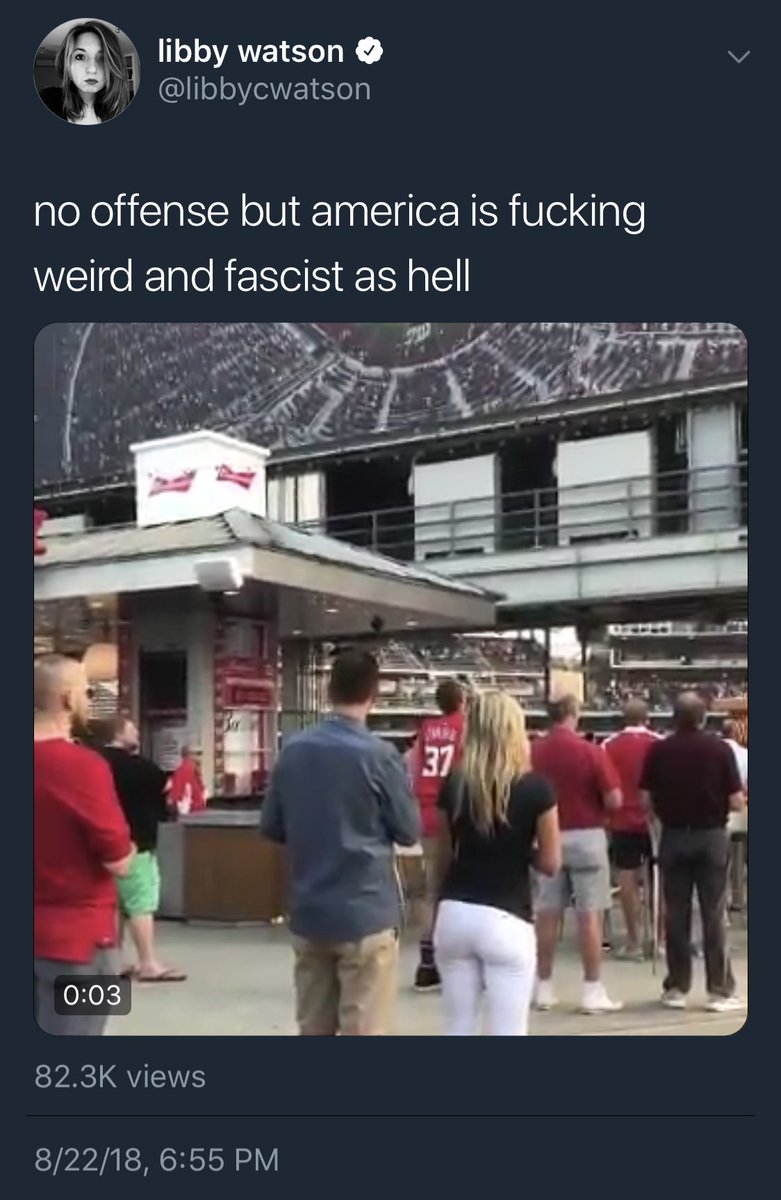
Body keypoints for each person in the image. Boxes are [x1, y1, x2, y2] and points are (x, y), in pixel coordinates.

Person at [260, 650, 420, 1035]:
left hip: (310, 908)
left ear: (329, 691)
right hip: (366, 909)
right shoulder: (381, 756)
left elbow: (271, 825)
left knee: (313, 1027)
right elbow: (408, 829)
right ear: (373, 695)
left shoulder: (293, 751)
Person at [433, 693, 560, 1035]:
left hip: (455, 909)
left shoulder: (455, 783)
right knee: (509, 1029)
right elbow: (551, 863)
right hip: (507, 913)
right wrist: (522, 849)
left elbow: (442, 857)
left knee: (458, 1025)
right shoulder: (536, 788)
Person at [34, 656, 134, 1034]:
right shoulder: (84, 767)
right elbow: (118, 860)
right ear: (66, 699)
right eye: (87, 692)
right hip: (81, 941)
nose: (91, 700)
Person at [639, 692, 745, 1013]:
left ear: (674, 717)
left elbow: (645, 799)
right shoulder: (720, 749)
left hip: (674, 836)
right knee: (714, 913)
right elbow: (736, 800)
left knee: (676, 914)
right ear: (704, 717)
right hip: (711, 836)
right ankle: (719, 990)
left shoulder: (659, 750)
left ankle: (676, 987)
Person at [531, 695, 624, 1014]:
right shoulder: (590, 751)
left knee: (547, 912)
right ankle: (591, 990)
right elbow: (614, 799)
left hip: (546, 834)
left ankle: (543, 987)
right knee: (589, 914)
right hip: (587, 834)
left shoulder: (533, 751)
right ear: (573, 713)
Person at [100, 716, 186, 982]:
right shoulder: (139, 766)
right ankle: (148, 963)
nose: (137, 733)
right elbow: (167, 787)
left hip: (101, 846)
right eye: (132, 729)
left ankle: (113, 962)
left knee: (113, 906)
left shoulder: (93, 763)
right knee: (140, 904)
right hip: (136, 843)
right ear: (118, 734)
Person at [405, 678, 465, 991]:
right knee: (467, 888)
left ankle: (427, 963)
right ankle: (462, 961)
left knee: (433, 890)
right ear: (462, 701)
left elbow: (413, 768)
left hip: (427, 811)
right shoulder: (466, 728)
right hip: (458, 811)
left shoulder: (425, 730)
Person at [603, 699, 662, 960]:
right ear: (647, 718)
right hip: (654, 819)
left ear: (622, 718)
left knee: (627, 876)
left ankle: (633, 941)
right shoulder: (658, 742)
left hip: (621, 819)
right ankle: (659, 939)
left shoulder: (609, 745)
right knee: (658, 878)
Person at [39, 21, 131, 125]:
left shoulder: (121, 109)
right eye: (80, 56)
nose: (92, 69)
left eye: (102, 58)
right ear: (67, 66)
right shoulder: (47, 101)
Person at [169, 745, 207, 815]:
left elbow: (176, 789)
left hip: (185, 806)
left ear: (181, 755)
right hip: (196, 804)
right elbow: (201, 786)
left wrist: (174, 801)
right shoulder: (194, 768)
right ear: (189, 754)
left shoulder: (179, 771)